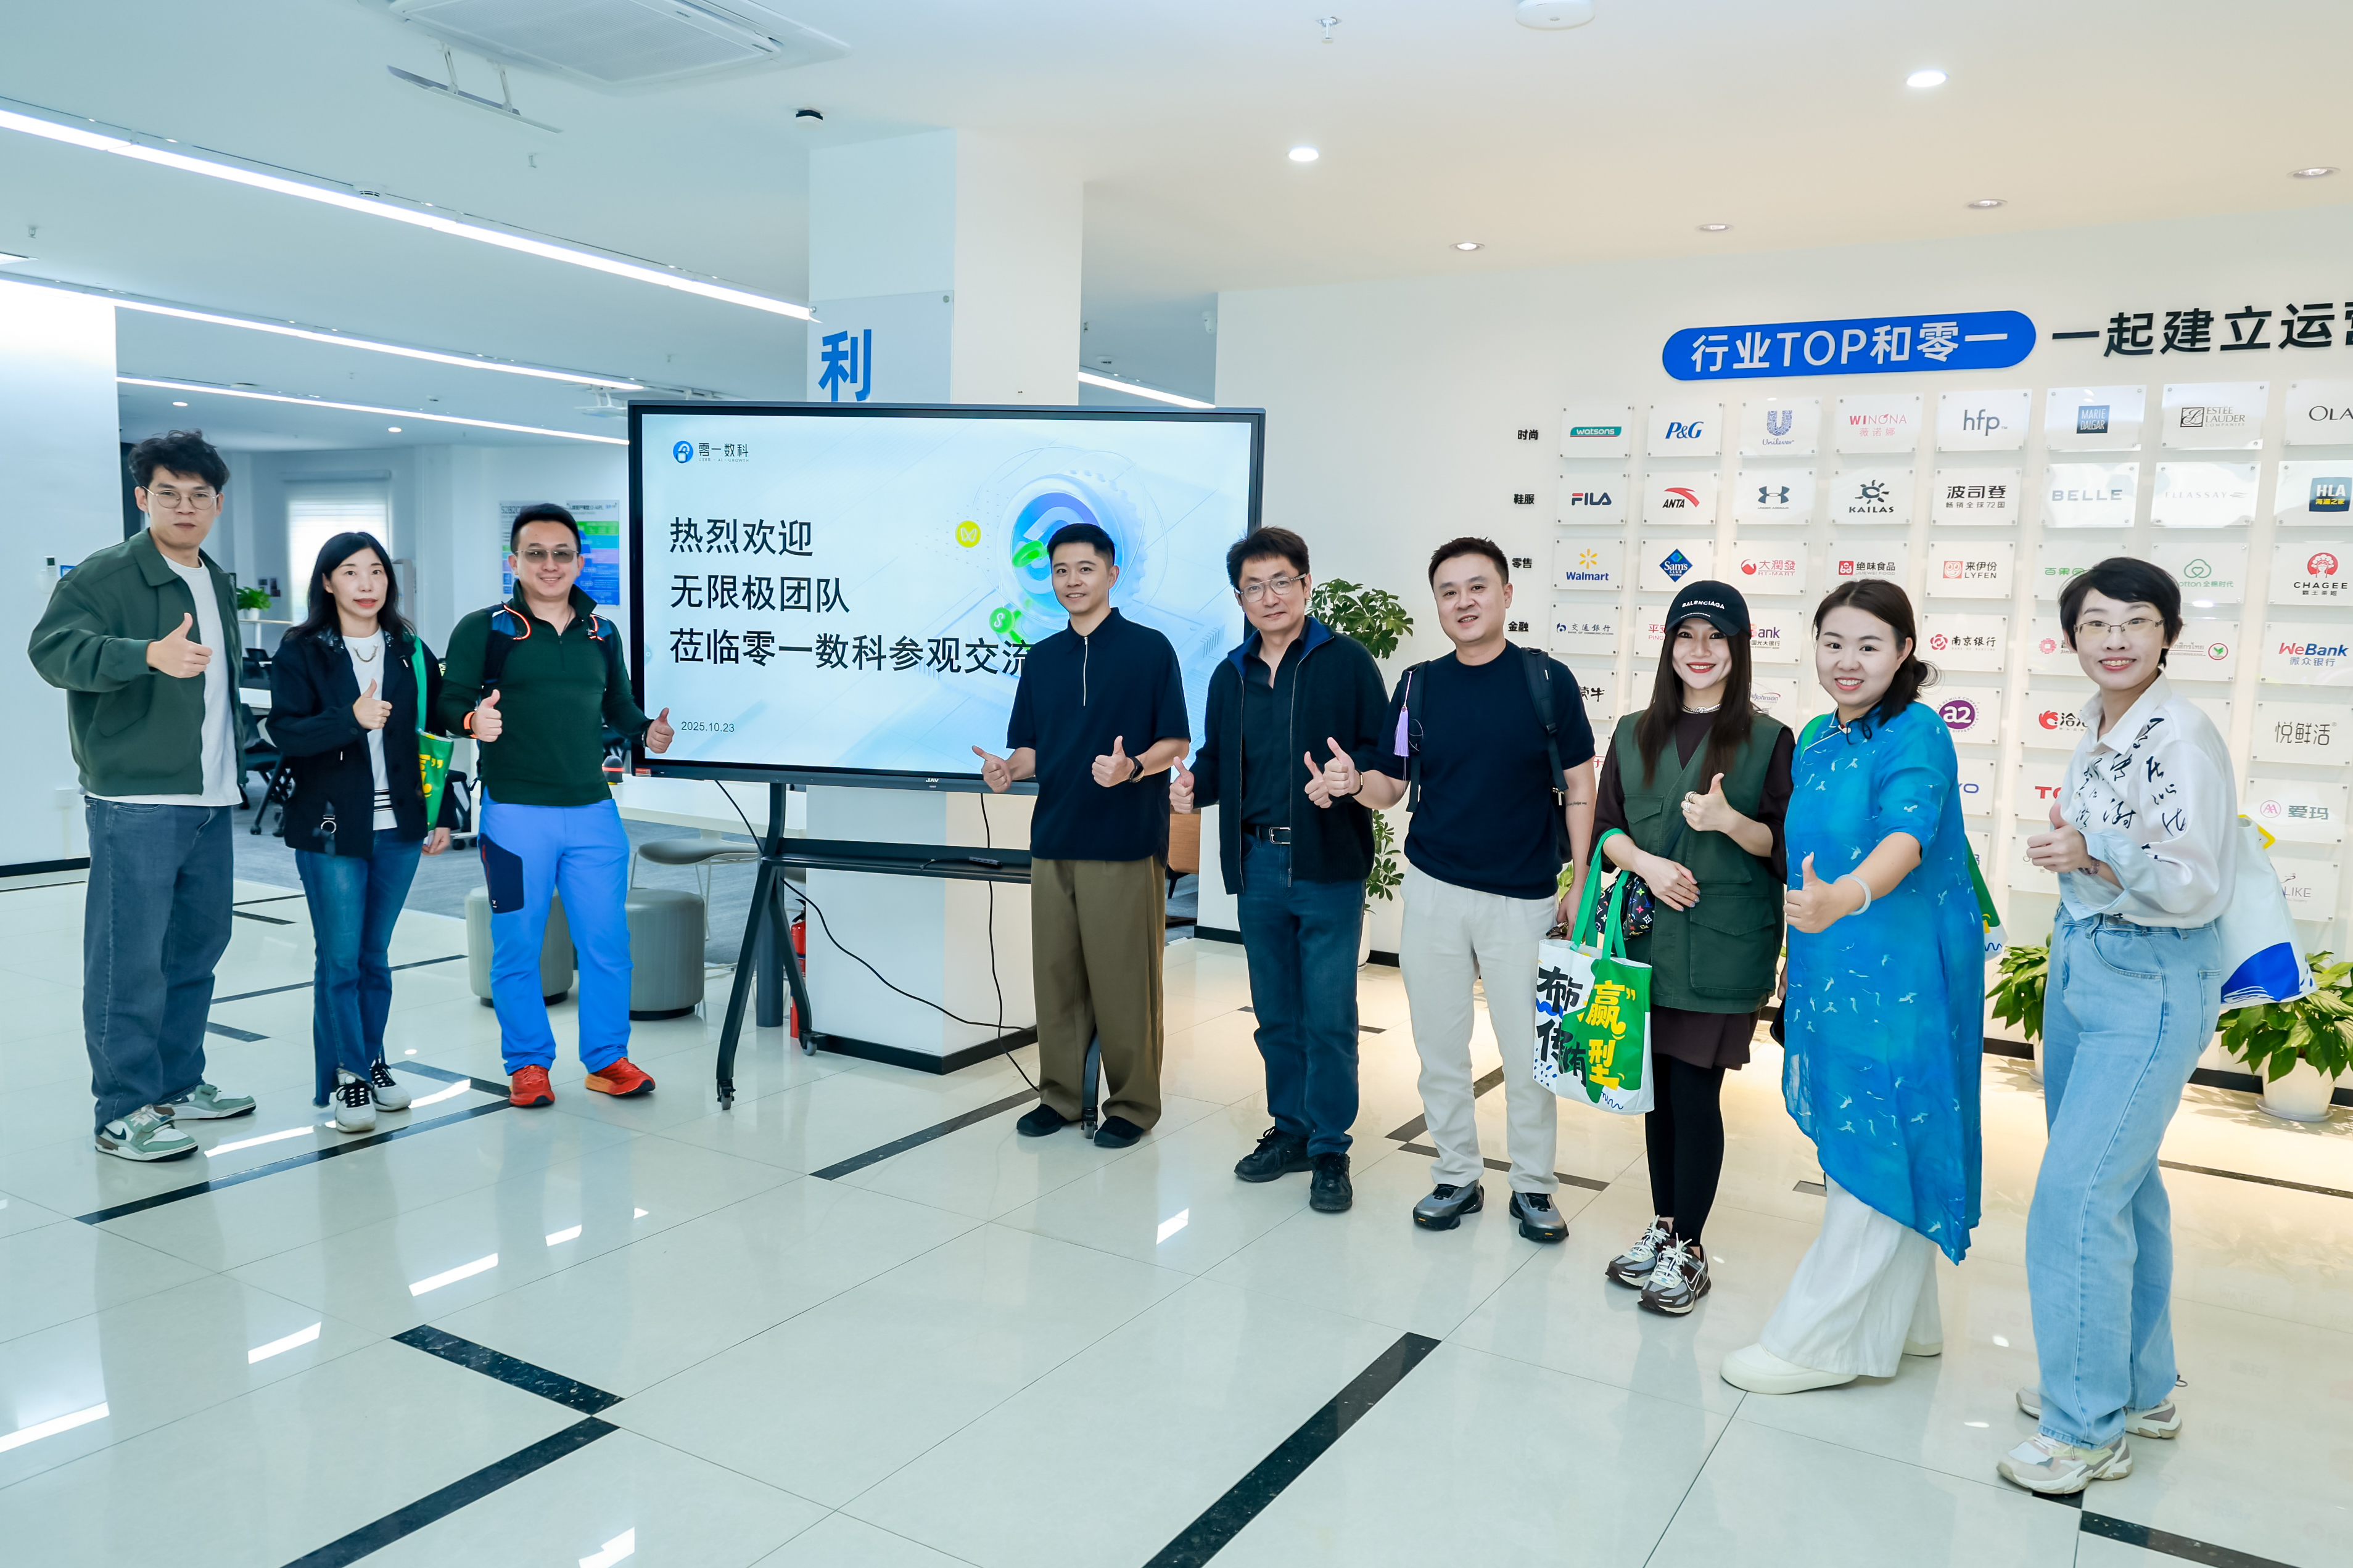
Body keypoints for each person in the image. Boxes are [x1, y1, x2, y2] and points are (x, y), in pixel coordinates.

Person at [1999, 560, 2231, 1496]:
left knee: (2075, 1193)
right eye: (2094, 623)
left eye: (2136, 620)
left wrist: (2094, 851)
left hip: (2150, 973)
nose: (2114, 638)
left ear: (2166, 633)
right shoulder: (2099, 726)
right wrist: (2082, 858)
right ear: (2071, 638)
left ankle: (2084, 1426)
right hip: (2087, 959)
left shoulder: (2178, 734)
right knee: (2121, 1187)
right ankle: (2136, 1387)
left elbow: (2194, 879)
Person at [1721, 578, 1980, 1395]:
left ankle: (1818, 1338)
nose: (1846, 660)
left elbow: (1907, 834)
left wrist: (1847, 896)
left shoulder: (1916, 731)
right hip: (1831, 964)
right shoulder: (1816, 736)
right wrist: (1806, 936)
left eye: (1868, 645)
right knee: (1877, 1125)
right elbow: (1808, 854)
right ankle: (1904, 1319)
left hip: (1901, 969)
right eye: (1832, 642)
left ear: (1903, 651)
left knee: (1878, 1131)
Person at [1351, 537, 1595, 1242]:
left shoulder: (1545, 679)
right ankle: (1455, 1172)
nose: (1463, 602)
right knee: (1439, 1048)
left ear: (1505, 594)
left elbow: (1580, 784)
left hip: (1522, 897)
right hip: (1433, 890)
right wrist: (1353, 782)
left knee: (1526, 1056)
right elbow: (1391, 785)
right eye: (1448, 591)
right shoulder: (1417, 684)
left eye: (1477, 587)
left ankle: (1533, 1185)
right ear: (1436, 603)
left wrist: (1580, 880)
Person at [29, 429, 257, 1160]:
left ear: (217, 504)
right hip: (137, 799)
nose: (184, 506)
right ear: (141, 498)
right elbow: (51, 651)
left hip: (210, 794)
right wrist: (145, 654)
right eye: (168, 493)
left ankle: (177, 1083)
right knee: (129, 959)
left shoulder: (213, 577)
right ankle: (123, 1107)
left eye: (198, 495)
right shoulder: (107, 575)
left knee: (196, 949)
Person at [1170, 527, 1390, 1212]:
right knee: (1274, 1014)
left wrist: (1352, 778)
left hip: (1327, 861)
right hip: (1256, 861)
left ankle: (1329, 1145)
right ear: (1239, 598)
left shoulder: (1347, 662)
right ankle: (1289, 1128)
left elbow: (1380, 757)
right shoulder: (1229, 674)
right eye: (1253, 587)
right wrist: (1192, 787)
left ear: (1305, 585)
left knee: (1328, 1015)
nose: (1269, 597)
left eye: (1281, 582)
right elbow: (1215, 761)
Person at [1592, 580, 1791, 1314]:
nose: (1699, 650)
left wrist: (1728, 821)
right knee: (1655, 1095)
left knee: (1692, 1092)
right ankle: (1663, 1222)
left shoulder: (1768, 739)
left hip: (1721, 946)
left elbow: (1780, 846)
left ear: (1737, 648)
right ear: (1668, 645)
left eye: (1715, 636)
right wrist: (1644, 863)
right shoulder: (1631, 731)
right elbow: (1605, 830)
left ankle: (1690, 1247)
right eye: (1685, 635)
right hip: (1644, 945)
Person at [439, 503, 675, 1108]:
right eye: (536, 553)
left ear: (579, 562)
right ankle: (527, 1063)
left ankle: (607, 1058)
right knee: (517, 943)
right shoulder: (485, 629)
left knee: (607, 943)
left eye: (562, 553)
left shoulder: (602, 632)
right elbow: (446, 703)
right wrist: (472, 720)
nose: (550, 564)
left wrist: (645, 730)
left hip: (593, 810)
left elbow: (618, 706)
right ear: (514, 561)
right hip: (514, 813)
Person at [974, 522, 1189, 1151]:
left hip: (1125, 841)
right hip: (1054, 838)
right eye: (1060, 570)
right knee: (1057, 977)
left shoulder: (1150, 650)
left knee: (1124, 981)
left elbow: (1175, 739)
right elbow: (1030, 749)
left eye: (1085, 568)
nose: (1072, 581)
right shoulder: (1042, 658)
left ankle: (1132, 1104)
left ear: (1111, 574)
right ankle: (1060, 1096)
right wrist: (1007, 770)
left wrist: (1133, 767)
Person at [269, 532, 454, 1133]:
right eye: (350, 572)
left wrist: (442, 811)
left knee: (375, 956)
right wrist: (348, 719)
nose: (366, 583)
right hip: (331, 826)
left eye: (376, 571)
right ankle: (347, 1073)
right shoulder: (302, 650)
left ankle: (372, 1060)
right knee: (341, 958)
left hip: (399, 824)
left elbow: (433, 731)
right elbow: (285, 733)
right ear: (327, 582)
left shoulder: (408, 648)